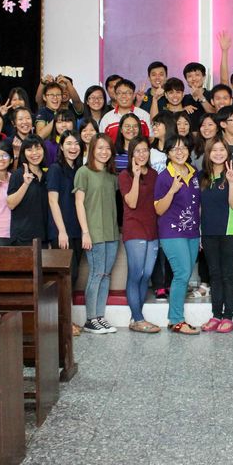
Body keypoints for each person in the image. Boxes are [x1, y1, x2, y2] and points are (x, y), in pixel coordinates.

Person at [154, 134, 202, 335]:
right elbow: (158, 209)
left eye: (183, 148)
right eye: (174, 149)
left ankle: (174, 318)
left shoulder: (194, 172)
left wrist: (200, 230)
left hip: (193, 232)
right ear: (168, 153)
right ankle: (176, 320)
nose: (179, 152)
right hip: (172, 232)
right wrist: (172, 191)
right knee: (182, 273)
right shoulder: (164, 177)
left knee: (185, 274)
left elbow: (197, 204)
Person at [75, 133, 120, 334]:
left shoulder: (112, 175)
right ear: (92, 149)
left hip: (112, 232)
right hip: (94, 231)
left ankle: (100, 316)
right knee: (96, 273)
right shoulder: (83, 172)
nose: (104, 152)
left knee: (106, 275)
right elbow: (79, 203)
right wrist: (85, 232)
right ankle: (90, 319)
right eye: (100, 148)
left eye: (108, 148)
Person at [198, 138, 233, 333]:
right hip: (208, 232)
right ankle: (216, 315)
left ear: (227, 152)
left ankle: (228, 316)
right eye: (214, 150)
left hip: (229, 231)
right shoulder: (202, 176)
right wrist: (199, 231)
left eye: (221, 149)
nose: (218, 153)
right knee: (214, 275)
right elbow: (199, 206)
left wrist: (231, 182)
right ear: (208, 154)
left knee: (228, 275)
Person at [118, 136, 161, 333]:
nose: (142, 154)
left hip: (152, 229)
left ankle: (136, 318)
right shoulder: (124, 175)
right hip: (134, 229)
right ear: (131, 154)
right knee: (136, 274)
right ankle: (138, 318)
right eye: (137, 151)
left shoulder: (154, 174)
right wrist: (135, 176)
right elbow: (132, 202)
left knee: (147, 275)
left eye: (145, 150)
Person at [48, 132, 85, 290]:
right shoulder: (55, 169)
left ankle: (66, 306)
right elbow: (52, 201)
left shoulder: (80, 170)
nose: (73, 147)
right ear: (61, 147)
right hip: (61, 231)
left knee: (73, 276)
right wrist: (62, 232)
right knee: (66, 275)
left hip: (77, 229)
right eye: (69, 143)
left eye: (76, 144)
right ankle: (60, 307)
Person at [6, 136, 49, 246]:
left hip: (43, 238)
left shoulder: (47, 175)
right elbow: (11, 204)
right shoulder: (18, 174)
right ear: (23, 153)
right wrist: (25, 184)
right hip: (22, 239)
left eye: (38, 148)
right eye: (29, 149)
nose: (34, 153)